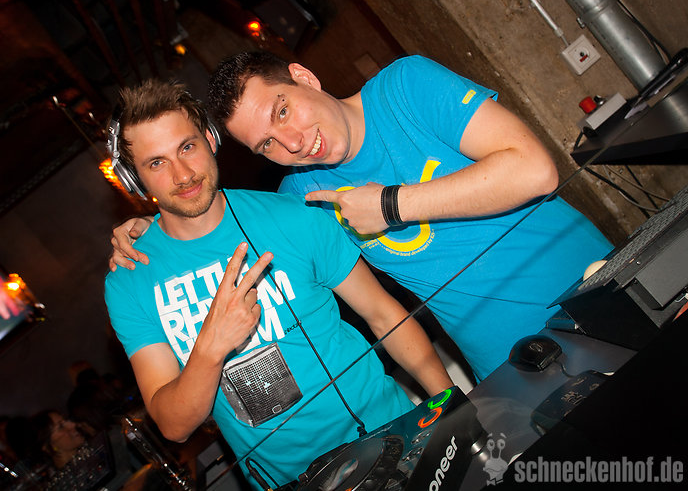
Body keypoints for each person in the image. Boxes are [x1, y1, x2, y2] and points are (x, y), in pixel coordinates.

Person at [110, 51, 612, 382]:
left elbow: (535, 170)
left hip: (603, 299)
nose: (292, 143)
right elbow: (225, 227)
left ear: (304, 77)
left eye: (282, 111)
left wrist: (392, 205)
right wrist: (151, 229)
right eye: (266, 144)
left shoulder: (405, 87)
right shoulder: (305, 196)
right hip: (513, 367)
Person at [103, 79, 453, 488]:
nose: (182, 174)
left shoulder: (295, 216)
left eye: (187, 147)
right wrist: (212, 346)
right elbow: (173, 425)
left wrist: (451, 406)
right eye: (156, 163)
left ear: (211, 139)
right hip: (289, 481)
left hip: (390, 433)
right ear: (135, 179)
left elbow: (383, 314)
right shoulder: (130, 280)